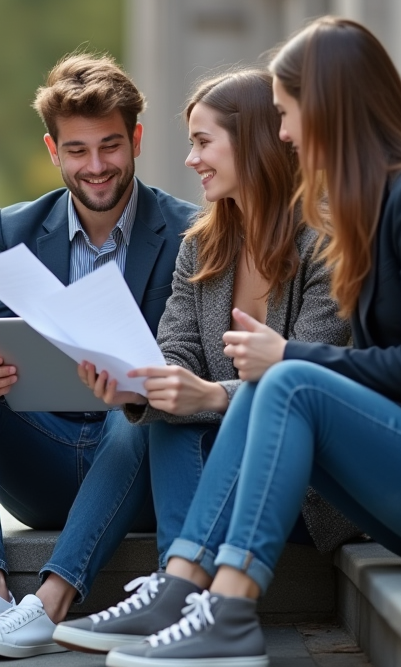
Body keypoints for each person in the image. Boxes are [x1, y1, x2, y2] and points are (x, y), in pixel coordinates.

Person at [100, 17, 401, 667]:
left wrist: (289, 356)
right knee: (267, 386)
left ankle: (231, 611)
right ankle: (185, 585)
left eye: (287, 113)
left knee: (285, 379)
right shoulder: (381, 204)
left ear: (327, 107)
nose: (286, 134)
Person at [59, 69, 354, 653]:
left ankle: (176, 591)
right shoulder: (201, 243)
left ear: (254, 144)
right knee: (164, 407)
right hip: (217, 469)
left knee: (185, 408)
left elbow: (316, 386)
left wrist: (211, 396)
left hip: (303, 482)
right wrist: (140, 386)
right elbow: (177, 350)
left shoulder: (327, 242)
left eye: (203, 142)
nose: (191, 160)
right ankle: (180, 593)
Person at [0, 53, 197, 658]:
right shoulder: (15, 226)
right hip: (41, 459)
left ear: (137, 141)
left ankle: (50, 603)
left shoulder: (189, 232)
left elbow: (194, 365)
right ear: (53, 150)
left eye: (110, 146)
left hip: (135, 464)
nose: (95, 167)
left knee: (141, 411)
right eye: (77, 150)